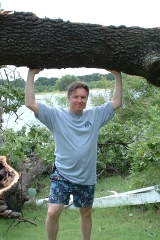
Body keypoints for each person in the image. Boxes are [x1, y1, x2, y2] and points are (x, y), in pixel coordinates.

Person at [25, 68, 123, 240]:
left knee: (85, 212)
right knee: (52, 212)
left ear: (86, 99)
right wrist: (31, 73)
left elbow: (117, 102)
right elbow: (30, 102)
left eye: (83, 97)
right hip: (62, 173)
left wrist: (117, 74)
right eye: (76, 97)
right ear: (68, 97)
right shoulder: (55, 116)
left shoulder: (95, 115)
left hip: (86, 176)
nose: (79, 100)